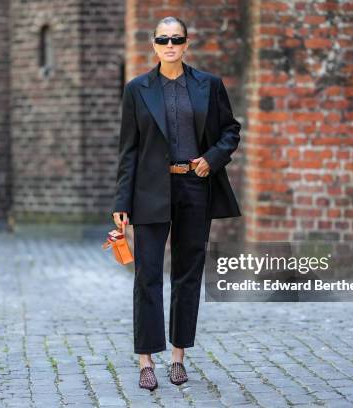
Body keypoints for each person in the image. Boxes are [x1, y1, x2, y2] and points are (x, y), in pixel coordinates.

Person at [112, 16, 242, 391]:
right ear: (153, 44)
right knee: (147, 275)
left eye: (177, 39)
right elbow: (128, 151)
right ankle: (146, 361)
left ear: (186, 44)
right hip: (150, 191)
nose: (170, 45)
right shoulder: (137, 90)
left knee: (187, 275)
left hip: (194, 187)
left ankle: (178, 357)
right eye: (163, 39)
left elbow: (230, 130)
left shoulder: (208, 86)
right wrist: (121, 201)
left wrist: (211, 159)